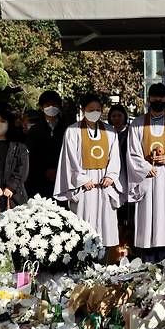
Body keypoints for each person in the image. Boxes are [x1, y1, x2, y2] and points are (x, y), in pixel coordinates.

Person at [127, 83, 165, 263]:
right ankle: (145, 264)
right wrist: (146, 168)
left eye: (161, 101)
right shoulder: (137, 124)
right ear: (148, 101)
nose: (158, 104)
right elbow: (132, 153)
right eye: (155, 101)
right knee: (147, 228)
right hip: (146, 179)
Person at [54, 94, 122, 248]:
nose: (95, 112)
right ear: (83, 109)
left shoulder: (110, 131)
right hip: (85, 186)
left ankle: (105, 266)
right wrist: (82, 179)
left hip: (104, 185)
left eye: (98, 109)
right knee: (83, 229)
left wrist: (111, 176)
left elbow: (115, 157)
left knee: (105, 230)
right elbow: (69, 159)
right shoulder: (73, 131)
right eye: (91, 109)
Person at [26, 90, 66, 198]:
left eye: (54, 104)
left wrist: (58, 170)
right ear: (41, 107)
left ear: (59, 106)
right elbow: (32, 156)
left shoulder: (67, 129)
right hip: (39, 180)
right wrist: (45, 170)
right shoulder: (35, 130)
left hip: (63, 179)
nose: (51, 107)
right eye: (47, 105)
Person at [109, 104, 135, 250]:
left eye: (119, 115)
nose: (117, 119)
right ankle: (117, 246)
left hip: (130, 175)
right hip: (114, 178)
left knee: (129, 213)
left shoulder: (131, 133)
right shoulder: (108, 134)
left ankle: (129, 246)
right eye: (113, 116)